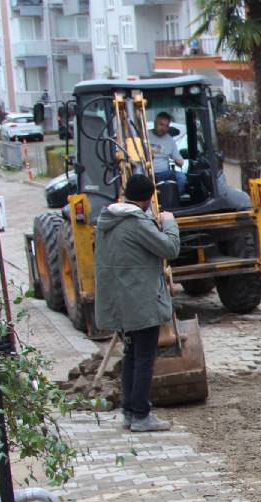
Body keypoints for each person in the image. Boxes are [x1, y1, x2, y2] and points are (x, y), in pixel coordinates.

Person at [94, 173, 180, 433]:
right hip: (141, 302)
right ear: (147, 200)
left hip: (120, 302)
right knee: (144, 357)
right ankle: (141, 414)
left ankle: (130, 412)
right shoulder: (136, 223)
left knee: (131, 355)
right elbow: (170, 249)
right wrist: (169, 223)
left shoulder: (107, 221)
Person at [148, 111, 186, 195]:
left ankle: (173, 198)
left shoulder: (170, 140)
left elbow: (179, 160)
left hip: (164, 173)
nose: (163, 128)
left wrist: (178, 161)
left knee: (181, 177)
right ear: (155, 123)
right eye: (161, 124)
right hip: (148, 173)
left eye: (166, 126)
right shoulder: (145, 136)